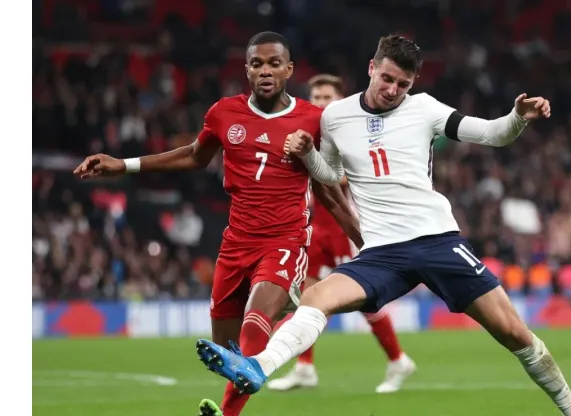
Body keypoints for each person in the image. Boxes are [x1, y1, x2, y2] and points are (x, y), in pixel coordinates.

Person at [195, 34, 571, 416]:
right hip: (381, 252)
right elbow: (329, 176)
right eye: (387, 78)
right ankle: (258, 367)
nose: (392, 89)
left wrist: (517, 117)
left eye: (403, 83)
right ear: (372, 68)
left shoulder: (425, 109)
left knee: (515, 334)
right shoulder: (336, 116)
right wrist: (310, 152)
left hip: (437, 240)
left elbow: (492, 134)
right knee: (317, 299)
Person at [73, 32, 361, 416]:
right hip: (235, 245)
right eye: (256, 64)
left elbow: (328, 190)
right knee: (230, 353)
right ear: (246, 70)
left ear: (289, 69)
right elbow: (194, 156)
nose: (265, 71)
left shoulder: (312, 120)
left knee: (256, 324)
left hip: (285, 242)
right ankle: (266, 349)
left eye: (274, 63)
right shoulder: (225, 113)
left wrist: (368, 240)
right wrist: (123, 165)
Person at [266, 74, 416, 394]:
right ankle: (305, 367)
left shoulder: (351, 131)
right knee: (308, 295)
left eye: (327, 97)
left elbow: (346, 178)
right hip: (314, 227)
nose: (321, 103)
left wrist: (310, 160)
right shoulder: (305, 132)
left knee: (362, 298)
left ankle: (398, 358)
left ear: (340, 100)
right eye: (316, 97)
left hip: (343, 226)